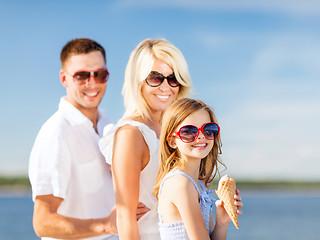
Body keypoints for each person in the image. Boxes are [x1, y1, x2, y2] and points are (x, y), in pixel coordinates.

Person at [29, 38, 147, 240]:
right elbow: (42, 222)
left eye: (100, 74)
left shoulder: (107, 122)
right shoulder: (56, 134)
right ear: (64, 79)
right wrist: (105, 226)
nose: (92, 83)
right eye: (81, 75)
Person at [99, 38, 192, 240]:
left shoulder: (181, 130)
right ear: (138, 80)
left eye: (173, 78)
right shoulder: (131, 134)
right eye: (156, 78)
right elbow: (125, 219)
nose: (166, 87)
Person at [153, 98, 243, 240]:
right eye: (189, 131)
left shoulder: (198, 184)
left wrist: (222, 221)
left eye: (208, 129)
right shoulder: (180, 183)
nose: (201, 136)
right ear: (172, 141)